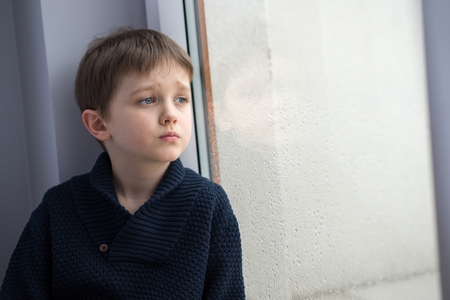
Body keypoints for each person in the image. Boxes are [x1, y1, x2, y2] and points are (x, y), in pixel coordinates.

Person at [0, 28, 245, 299]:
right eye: (148, 100)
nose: (170, 114)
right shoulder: (58, 208)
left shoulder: (208, 204)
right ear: (99, 124)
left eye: (181, 99)